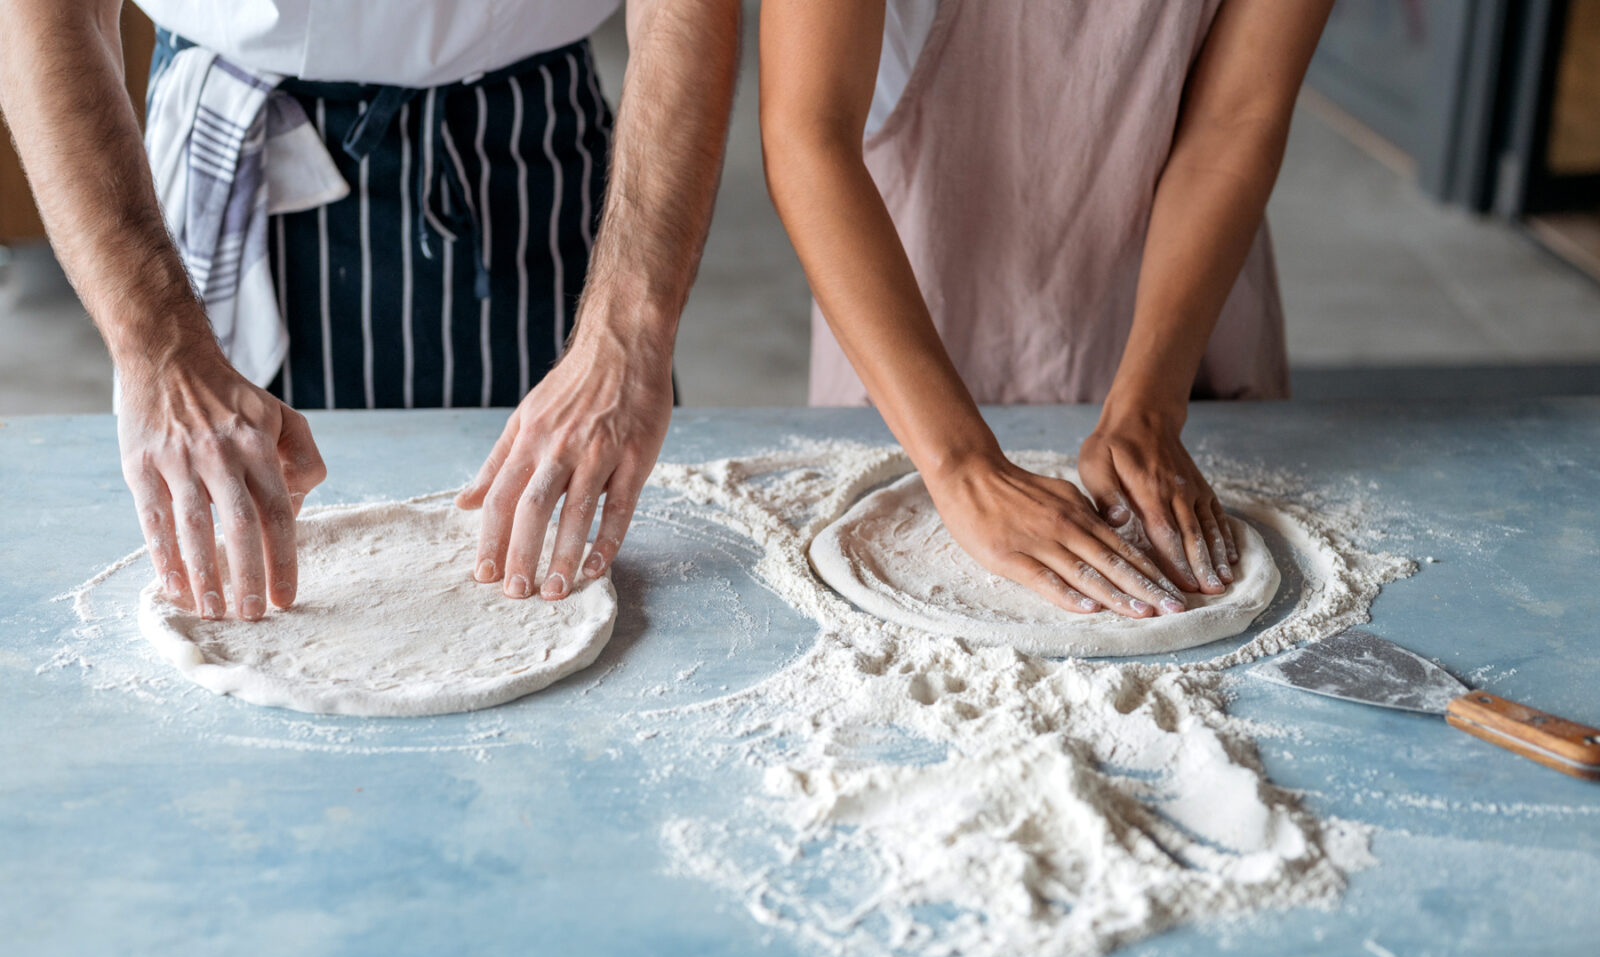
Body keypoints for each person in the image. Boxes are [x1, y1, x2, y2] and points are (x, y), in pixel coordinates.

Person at [0, 0, 738, 620]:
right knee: (243, 593)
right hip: (239, 160)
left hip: (530, 163)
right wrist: (159, 349)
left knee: (582, 574)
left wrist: (626, 333)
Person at [760, 0, 1333, 618]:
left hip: (1184, 298)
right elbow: (807, 132)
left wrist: (1153, 403)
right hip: (912, 320)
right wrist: (959, 462)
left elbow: (1234, 120)